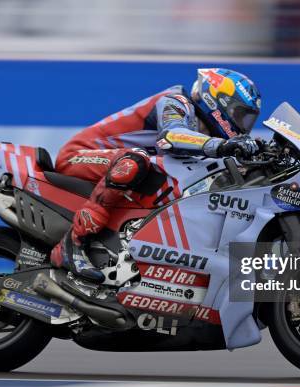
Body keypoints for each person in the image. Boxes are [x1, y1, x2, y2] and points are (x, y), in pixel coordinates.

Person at [50, 68, 261, 282]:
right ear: (216, 99)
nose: (242, 124)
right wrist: (224, 145)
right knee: (134, 161)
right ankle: (72, 242)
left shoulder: (203, 127)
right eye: (239, 114)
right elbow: (172, 137)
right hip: (78, 156)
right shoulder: (176, 100)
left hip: (114, 164)